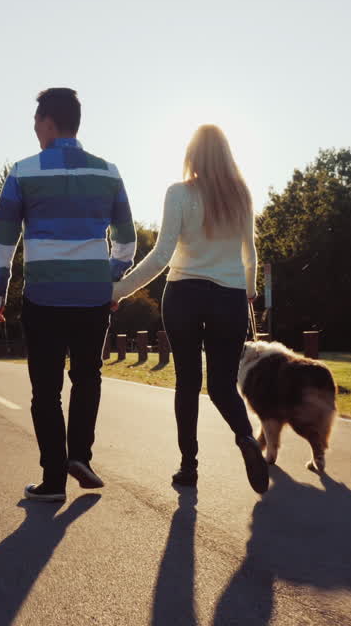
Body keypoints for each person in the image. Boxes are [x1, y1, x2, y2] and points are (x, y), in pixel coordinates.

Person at [0, 87, 136, 502]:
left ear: (49, 122)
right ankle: (81, 456)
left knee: (46, 390)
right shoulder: (108, 172)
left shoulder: (23, 172)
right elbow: (126, 239)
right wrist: (110, 277)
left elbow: (2, 241)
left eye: (36, 122)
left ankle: (53, 480)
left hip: (44, 297)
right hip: (92, 297)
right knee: (88, 377)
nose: (34, 129)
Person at [112, 124, 268, 493]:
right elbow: (250, 254)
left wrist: (120, 290)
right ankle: (246, 437)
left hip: (183, 293)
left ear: (192, 156)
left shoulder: (178, 193)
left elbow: (162, 255)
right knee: (222, 385)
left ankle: (188, 467)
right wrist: (248, 291)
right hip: (229, 297)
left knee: (187, 384)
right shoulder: (241, 195)